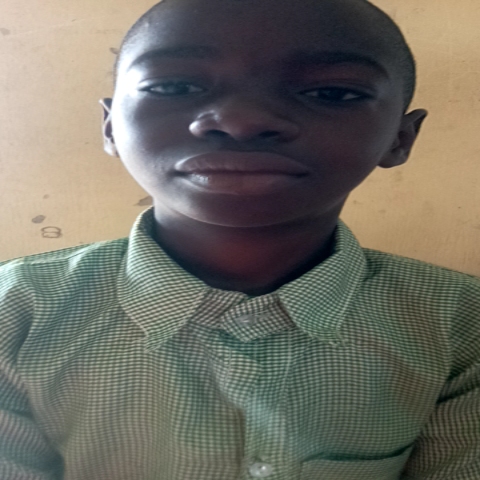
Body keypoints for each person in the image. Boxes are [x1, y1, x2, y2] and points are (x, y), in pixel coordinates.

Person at [0, 0, 479, 478]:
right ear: (110, 127)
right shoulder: (14, 314)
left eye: (331, 92)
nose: (241, 120)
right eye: (174, 86)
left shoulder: (462, 328)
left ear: (400, 137)